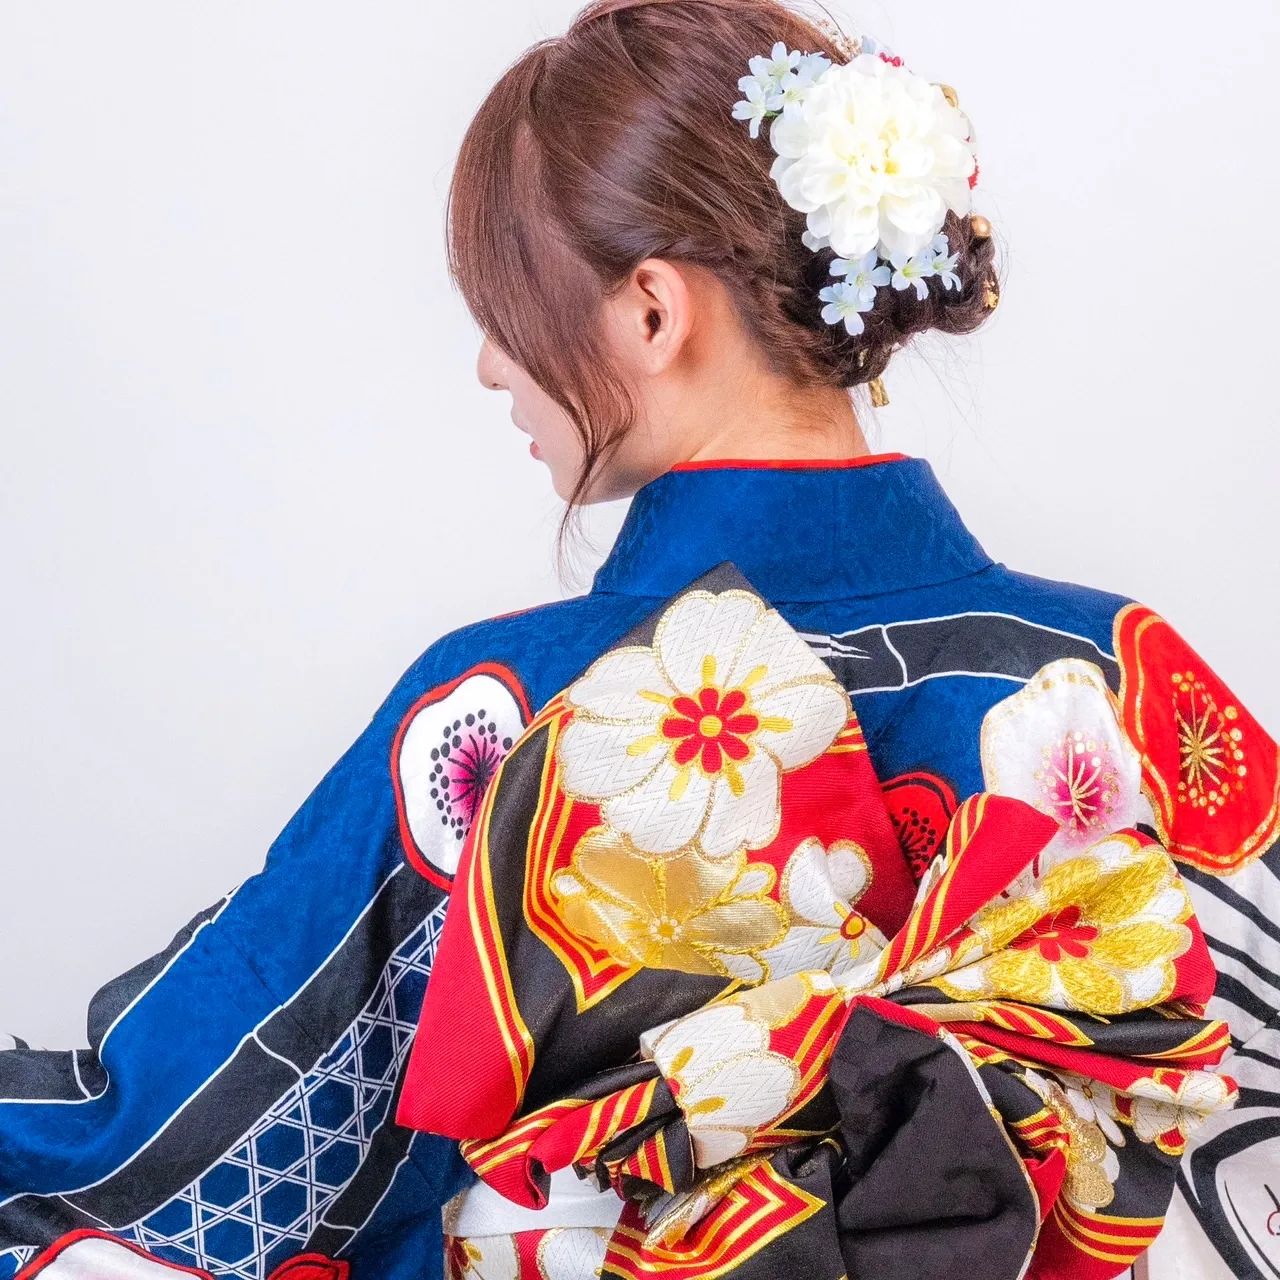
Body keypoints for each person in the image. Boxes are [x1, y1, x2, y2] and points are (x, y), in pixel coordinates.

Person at [1, 1, 1275, 1278]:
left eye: (507, 309)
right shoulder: (1126, 682)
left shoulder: (512, 711)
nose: (491, 365)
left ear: (652, 312)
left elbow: (169, 1159)